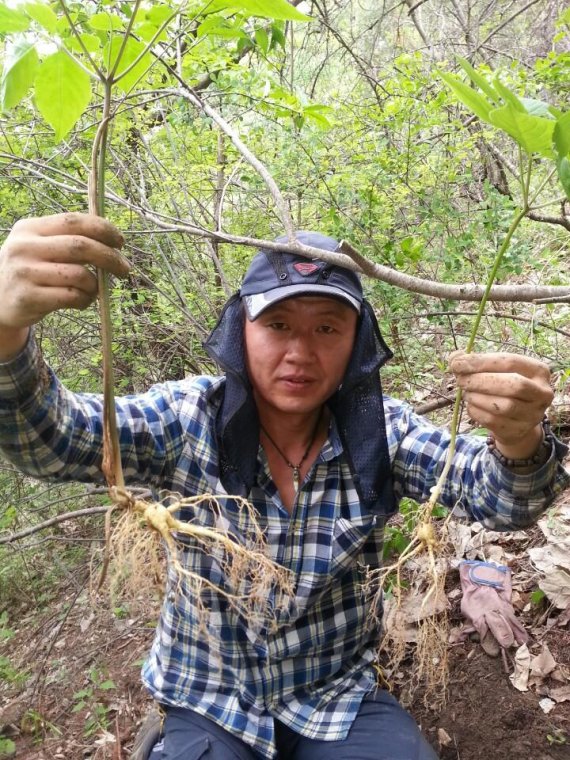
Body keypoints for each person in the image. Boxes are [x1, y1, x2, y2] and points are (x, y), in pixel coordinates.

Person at [0, 213, 568, 760]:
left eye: (327, 327)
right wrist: (6, 331)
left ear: (356, 341)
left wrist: (519, 440)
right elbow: (55, 442)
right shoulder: (187, 420)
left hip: (335, 696)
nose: (300, 352)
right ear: (240, 330)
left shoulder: (382, 436)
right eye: (277, 325)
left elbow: (496, 499)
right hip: (207, 697)